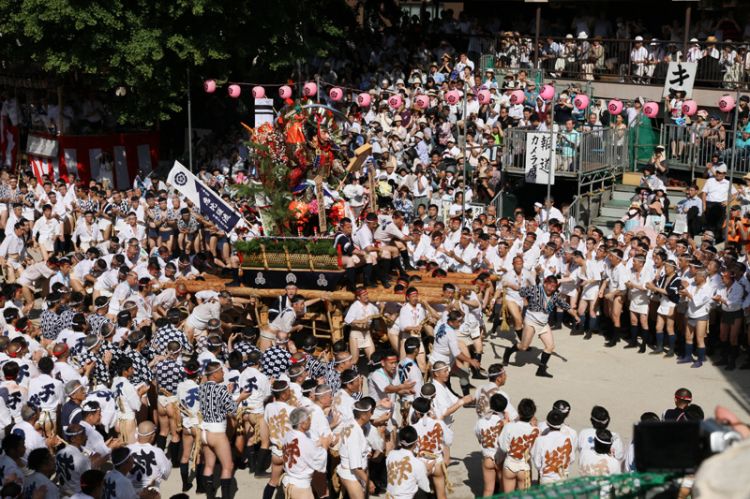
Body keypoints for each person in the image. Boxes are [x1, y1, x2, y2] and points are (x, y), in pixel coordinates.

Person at [503, 276, 581, 377]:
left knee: (550, 347)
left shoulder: (555, 295)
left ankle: (541, 370)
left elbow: (566, 306)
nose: (551, 289)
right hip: (530, 321)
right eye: (550, 286)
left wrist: (576, 316)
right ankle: (508, 351)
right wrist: (509, 284)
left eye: (554, 287)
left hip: (543, 323)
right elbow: (520, 289)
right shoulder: (535, 289)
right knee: (523, 347)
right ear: (545, 283)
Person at [281, 407, 329, 498]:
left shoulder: (288, 434)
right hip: (301, 488)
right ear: (302, 424)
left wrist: (318, 443)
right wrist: (325, 445)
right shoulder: (305, 441)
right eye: (308, 419)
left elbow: (304, 449)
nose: (310, 421)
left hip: (288, 482)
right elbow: (319, 462)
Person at [498, 398, 539, 492]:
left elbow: (503, 447)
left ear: (519, 412)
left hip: (509, 465)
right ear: (533, 414)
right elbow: (536, 450)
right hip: (524, 467)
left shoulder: (509, 426)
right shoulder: (535, 430)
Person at [386, 425, 431, 499]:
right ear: (416, 442)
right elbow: (425, 487)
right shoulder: (418, 463)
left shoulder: (391, 455)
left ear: (400, 441)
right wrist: (426, 471)